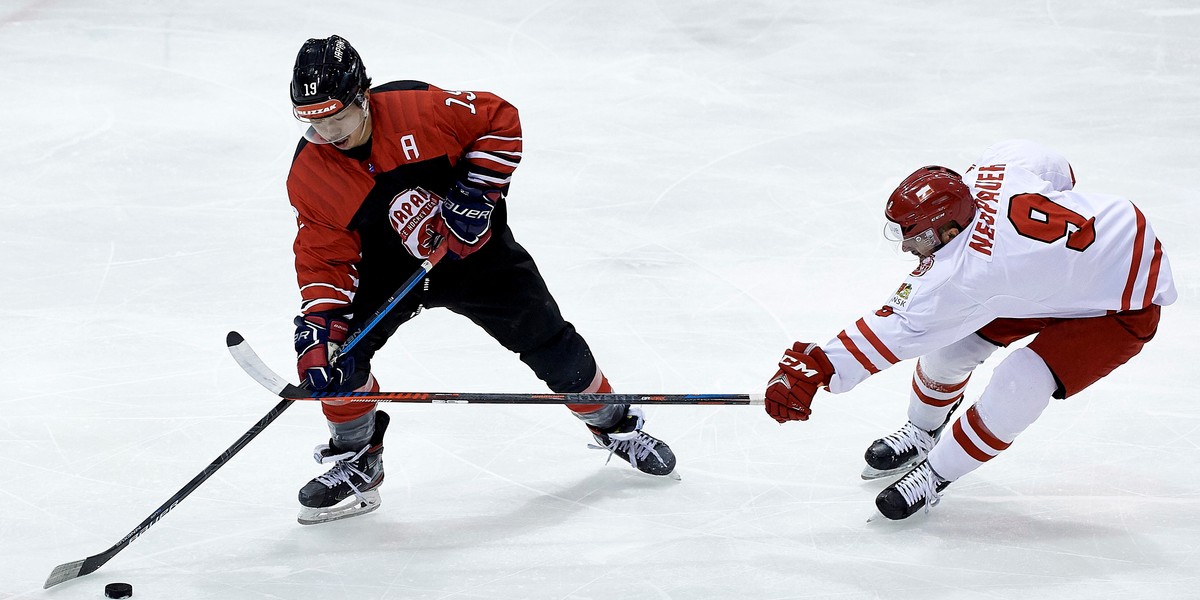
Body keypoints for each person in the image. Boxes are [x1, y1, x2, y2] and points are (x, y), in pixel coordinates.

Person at [285, 35, 676, 524]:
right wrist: (322, 322)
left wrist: (478, 191)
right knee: (341, 360)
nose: (326, 131)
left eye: (335, 115)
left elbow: (499, 119)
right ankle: (356, 458)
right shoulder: (311, 173)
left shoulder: (419, 109)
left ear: (363, 95)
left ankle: (613, 423)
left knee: (552, 344)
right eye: (313, 121)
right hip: (388, 274)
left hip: (477, 258)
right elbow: (323, 257)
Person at [763, 139, 1176, 520]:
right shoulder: (987, 176)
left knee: (1020, 383)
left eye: (917, 237)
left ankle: (938, 473)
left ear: (950, 231)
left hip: (1123, 304)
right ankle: (925, 431)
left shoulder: (966, 274)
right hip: (1051, 277)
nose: (907, 248)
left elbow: (896, 326)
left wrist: (816, 367)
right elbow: (1056, 166)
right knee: (950, 352)